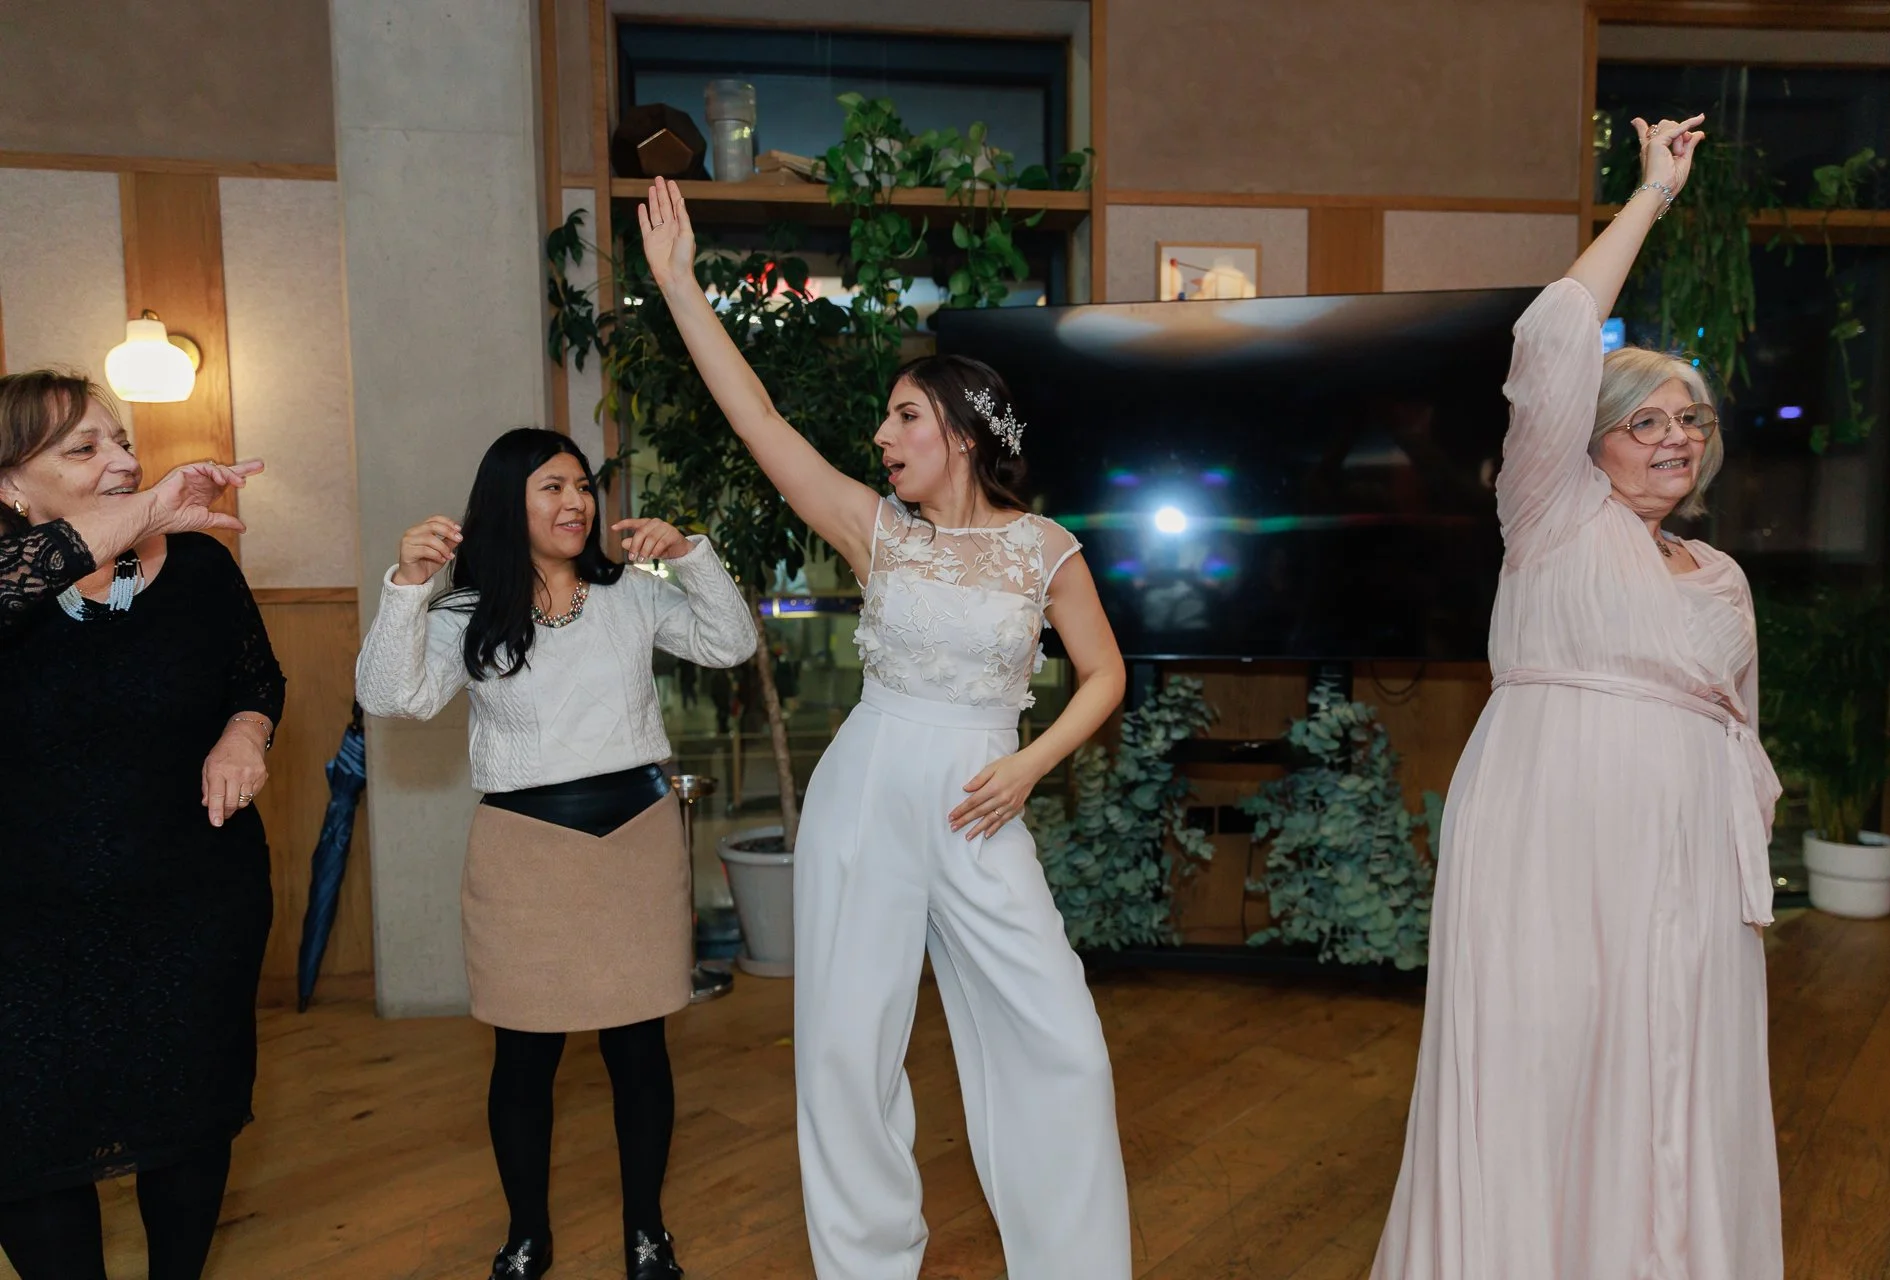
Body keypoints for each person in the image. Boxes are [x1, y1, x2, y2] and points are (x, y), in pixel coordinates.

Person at [638, 176, 1134, 1279]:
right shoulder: (877, 531)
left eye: (904, 415)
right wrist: (678, 286)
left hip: (982, 799)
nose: (881, 434)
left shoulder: (1044, 547)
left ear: (960, 429)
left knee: (1062, 1037)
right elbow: (759, 420)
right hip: (865, 790)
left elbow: (1105, 675)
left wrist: (1029, 766)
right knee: (845, 1048)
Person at [1371, 114, 1784, 1280]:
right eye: (1645, 420)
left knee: (1677, 1070)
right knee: (1543, 1057)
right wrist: (1651, 196)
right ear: (1589, 443)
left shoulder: (1723, 575)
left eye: (1691, 420)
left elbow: (1745, 731)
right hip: (1548, 834)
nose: (1675, 438)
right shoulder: (1551, 515)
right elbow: (1555, 331)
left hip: (1687, 868)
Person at [354, 428, 756, 1280]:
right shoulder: (466, 613)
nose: (576, 502)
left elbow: (732, 645)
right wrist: (407, 588)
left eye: (582, 486)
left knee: (639, 1051)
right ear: (510, 501)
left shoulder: (630, 595)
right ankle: (526, 1234)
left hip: (636, 842)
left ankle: (647, 1232)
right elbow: (391, 697)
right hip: (524, 851)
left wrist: (689, 555)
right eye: (553, 486)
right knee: (524, 1059)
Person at [0, 370, 282, 1280]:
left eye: (120, 440)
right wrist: (150, 507)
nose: (121, 460)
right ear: (11, 482)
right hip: (25, 930)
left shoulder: (197, 566)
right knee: (27, 1143)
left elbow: (256, 678)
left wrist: (245, 733)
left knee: (186, 1124)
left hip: (193, 905)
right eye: (84, 448)